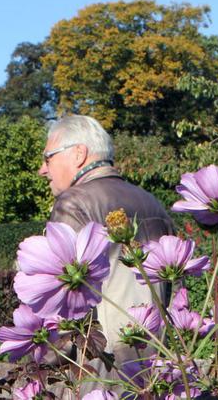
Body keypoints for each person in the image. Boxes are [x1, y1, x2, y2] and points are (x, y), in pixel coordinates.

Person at [37, 115, 174, 353]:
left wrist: (50, 356)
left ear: (78, 154)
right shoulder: (152, 202)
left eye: (48, 158)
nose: (42, 170)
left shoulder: (73, 204)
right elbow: (175, 290)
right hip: (157, 361)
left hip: (105, 365)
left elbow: (67, 300)